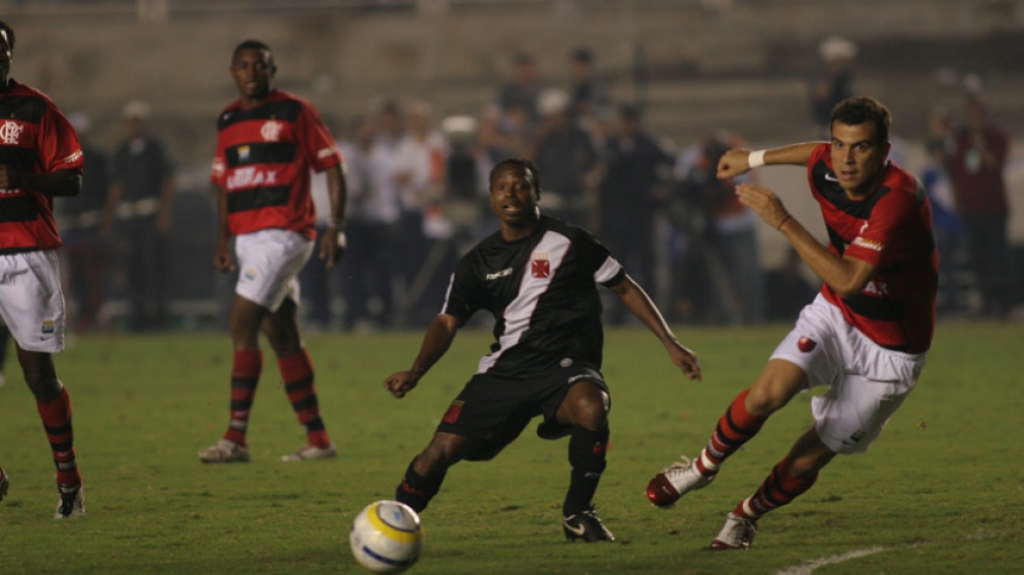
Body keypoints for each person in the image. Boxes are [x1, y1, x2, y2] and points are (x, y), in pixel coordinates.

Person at [645, 96, 937, 550]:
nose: (845, 158)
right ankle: (702, 468)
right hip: (837, 317)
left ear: (885, 151)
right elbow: (814, 151)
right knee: (767, 393)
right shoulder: (828, 161)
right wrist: (753, 158)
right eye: (840, 144)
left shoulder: (896, 199)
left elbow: (850, 279)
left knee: (807, 459)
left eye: (859, 148)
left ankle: (746, 515)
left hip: (893, 353)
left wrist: (782, 220)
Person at [384, 158, 702, 542]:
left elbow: (624, 287)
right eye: (502, 187)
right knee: (439, 451)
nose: (511, 194)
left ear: (536, 192)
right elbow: (447, 320)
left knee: (591, 404)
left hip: (564, 366)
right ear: (491, 197)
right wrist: (416, 371)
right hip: (506, 371)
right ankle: (391, 522)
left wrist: (670, 342)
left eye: (520, 186)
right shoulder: (477, 262)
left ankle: (578, 514)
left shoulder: (572, 242)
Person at [199, 39, 347, 463]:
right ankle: (319, 439)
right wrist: (223, 241)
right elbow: (225, 182)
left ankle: (235, 439)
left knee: (241, 322)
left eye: (259, 65)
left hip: (285, 233)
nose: (252, 72)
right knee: (280, 332)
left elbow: (333, 165)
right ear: (233, 72)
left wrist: (336, 227)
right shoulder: (227, 119)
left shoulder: (294, 111)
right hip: (247, 239)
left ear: (272, 69)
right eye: (243, 65)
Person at [0, 19, 87, 518]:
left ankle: (69, 480)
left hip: (26, 252)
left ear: (11, 55)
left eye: (1, 47)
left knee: (38, 375)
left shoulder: (36, 108)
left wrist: (24, 177)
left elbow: (72, 181)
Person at [103, 100, 175, 331]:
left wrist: (165, 212)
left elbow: (166, 180)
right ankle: (137, 315)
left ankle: (157, 316)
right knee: (131, 267)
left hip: (149, 214)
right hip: (128, 217)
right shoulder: (122, 151)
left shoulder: (154, 148)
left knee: (152, 266)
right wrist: (110, 216)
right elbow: (116, 186)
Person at [946, 95, 1011, 318]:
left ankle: (1000, 302)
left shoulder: (997, 137)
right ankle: (984, 300)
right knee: (976, 256)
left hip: (993, 207)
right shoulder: (961, 140)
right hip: (971, 207)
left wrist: (980, 146)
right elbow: (958, 171)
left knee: (996, 256)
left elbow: (995, 164)